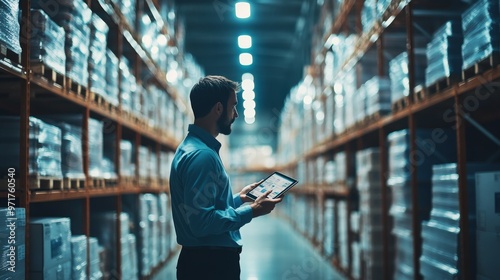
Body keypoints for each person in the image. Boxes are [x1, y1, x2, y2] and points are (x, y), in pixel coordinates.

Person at [169, 75, 282, 280]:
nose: (236, 114)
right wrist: (252, 211)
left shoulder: (194, 147)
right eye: (233, 107)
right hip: (210, 265)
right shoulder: (203, 156)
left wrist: (240, 198)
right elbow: (201, 222)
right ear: (219, 109)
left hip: (204, 260)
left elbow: (202, 207)